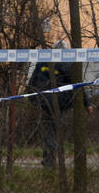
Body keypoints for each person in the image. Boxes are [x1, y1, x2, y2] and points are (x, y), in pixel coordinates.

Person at [28, 40, 95, 168]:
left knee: (50, 129)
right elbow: (78, 84)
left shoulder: (43, 61)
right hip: (60, 102)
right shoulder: (66, 64)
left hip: (44, 101)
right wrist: (87, 104)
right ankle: (50, 160)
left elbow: (32, 82)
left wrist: (33, 100)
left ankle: (49, 157)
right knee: (54, 130)